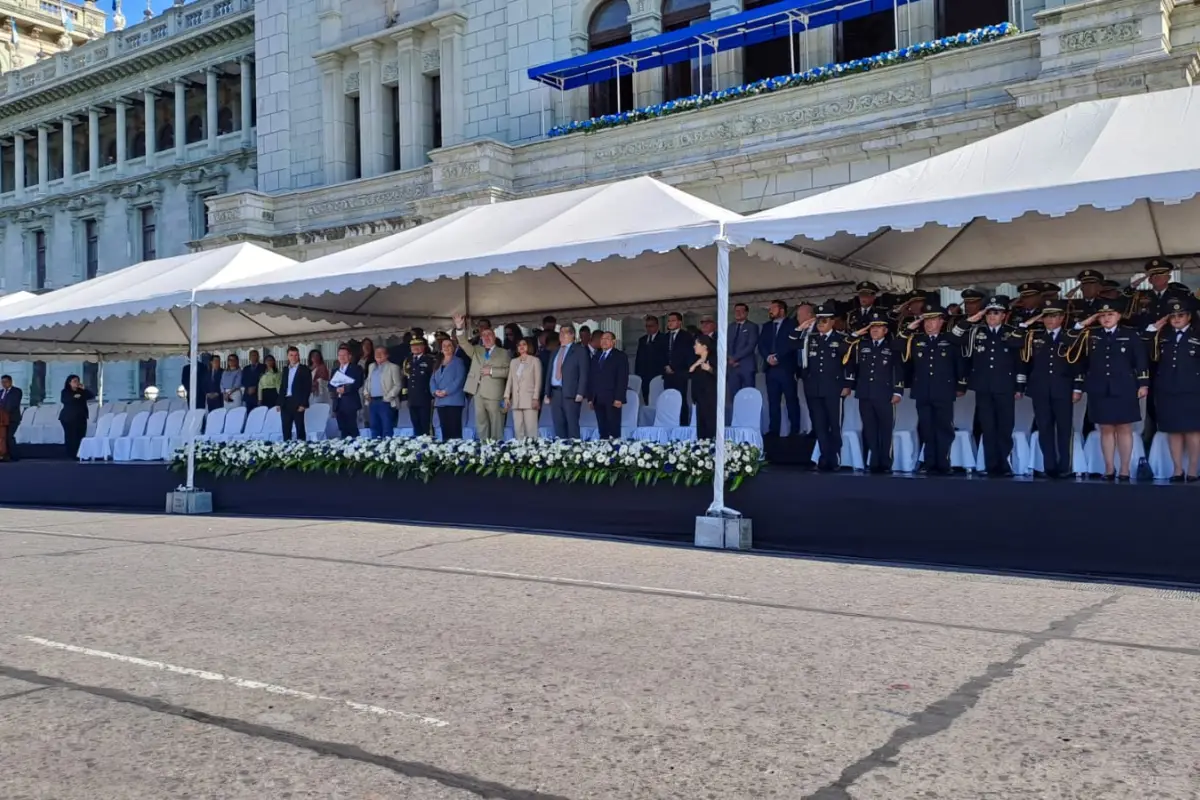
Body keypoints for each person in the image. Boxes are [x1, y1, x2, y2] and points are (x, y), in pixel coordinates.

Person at [1066, 300, 1149, 481]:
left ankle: (1125, 469)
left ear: (1119, 315)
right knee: (1106, 429)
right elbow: (1072, 346)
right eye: (1102, 315)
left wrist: (1143, 383)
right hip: (1099, 387)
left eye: (1110, 314)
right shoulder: (1090, 335)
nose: (1106, 319)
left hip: (1125, 387)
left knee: (1124, 428)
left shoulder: (1130, 334)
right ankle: (1109, 468)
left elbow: (1140, 359)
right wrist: (1084, 324)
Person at [948, 296, 1024, 477]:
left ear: (1004, 315)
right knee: (988, 427)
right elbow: (953, 337)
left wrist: (1019, 386)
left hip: (1005, 386)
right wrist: (970, 320)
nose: (992, 316)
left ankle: (1003, 464)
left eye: (996, 313)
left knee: (1005, 427)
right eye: (989, 312)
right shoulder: (976, 332)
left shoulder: (1012, 332)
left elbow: (1019, 361)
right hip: (983, 386)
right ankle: (991, 465)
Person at [897, 304, 966, 475]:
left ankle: (944, 462)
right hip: (923, 389)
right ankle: (929, 462)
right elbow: (896, 347)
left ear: (942, 321)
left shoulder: (950, 340)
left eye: (933, 319)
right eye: (926, 320)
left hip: (943, 389)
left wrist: (961, 384)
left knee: (944, 428)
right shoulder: (916, 339)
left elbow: (960, 363)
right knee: (926, 427)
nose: (929, 324)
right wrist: (909, 328)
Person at [1020, 300, 1082, 479]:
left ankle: (1065, 466)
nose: (1049, 320)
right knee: (1044, 428)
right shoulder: (1034, 336)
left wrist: (1077, 387)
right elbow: (1021, 353)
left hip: (1063, 388)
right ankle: (1049, 465)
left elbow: (1077, 363)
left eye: (1053, 316)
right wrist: (1026, 324)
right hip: (1040, 388)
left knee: (1064, 428)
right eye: (1046, 316)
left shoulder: (1070, 336)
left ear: (1062, 318)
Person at [1146, 296, 1200, 482]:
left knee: (1193, 430)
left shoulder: (1197, 336)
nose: (1177, 319)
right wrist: (1154, 329)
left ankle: (1193, 469)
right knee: (1173, 430)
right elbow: (1149, 353)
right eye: (1173, 316)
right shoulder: (1162, 336)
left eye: (1181, 315)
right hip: (1168, 389)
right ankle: (1177, 470)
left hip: (1192, 390)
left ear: (1189, 317)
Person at [845, 310, 903, 474]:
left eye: (879, 327)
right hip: (865, 393)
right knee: (869, 428)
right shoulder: (861, 345)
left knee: (885, 429)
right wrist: (857, 334)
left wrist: (898, 390)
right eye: (872, 327)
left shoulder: (892, 346)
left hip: (885, 393)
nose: (875, 330)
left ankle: (886, 461)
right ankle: (874, 460)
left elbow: (898, 369)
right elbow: (846, 352)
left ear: (885, 330)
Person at [797, 303, 852, 472]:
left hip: (834, 387)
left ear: (833, 321)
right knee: (819, 425)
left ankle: (834, 457)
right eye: (819, 320)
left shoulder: (841, 339)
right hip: (814, 388)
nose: (821, 323)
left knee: (834, 425)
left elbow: (849, 363)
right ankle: (823, 456)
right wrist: (801, 328)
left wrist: (848, 383)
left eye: (825, 320)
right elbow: (792, 344)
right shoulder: (809, 338)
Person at [453, 314, 510, 441]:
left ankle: (497, 452)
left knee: (496, 425)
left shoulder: (503, 352)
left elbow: (508, 372)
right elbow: (462, 342)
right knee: (481, 425)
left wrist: (491, 371)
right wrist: (459, 327)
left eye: (489, 335)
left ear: (495, 337)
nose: (486, 338)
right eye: (484, 336)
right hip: (478, 393)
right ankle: (483, 450)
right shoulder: (477, 350)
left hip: (495, 394)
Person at [757, 300, 799, 437]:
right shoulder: (767, 326)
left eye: (773, 309)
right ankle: (774, 430)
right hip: (770, 369)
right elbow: (761, 344)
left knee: (791, 399)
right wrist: (768, 357)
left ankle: (795, 429)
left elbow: (791, 344)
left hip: (786, 367)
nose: (770, 311)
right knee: (773, 401)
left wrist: (778, 357)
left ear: (782, 310)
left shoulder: (792, 324)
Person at [543, 324, 589, 439]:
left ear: (572, 335)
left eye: (565, 332)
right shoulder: (555, 351)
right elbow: (550, 372)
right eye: (560, 332)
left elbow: (584, 373)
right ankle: (562, 451)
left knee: (572, 425)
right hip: (555, 393)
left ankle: (574, 452)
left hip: (571, 393)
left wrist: (580, 392)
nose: (562, 335)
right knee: (558, 425)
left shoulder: (579, 351)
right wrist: (547, 392)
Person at [589, 331, 628, 439]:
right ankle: (604, 448)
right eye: (602, 339)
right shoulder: (596, 356)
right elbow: (591, 377)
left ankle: (614, 450)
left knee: (613, 428)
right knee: (602, 428)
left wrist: (619, 398)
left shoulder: (619, 356)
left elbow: (622, 378)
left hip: (612, 397)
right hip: (598, 397)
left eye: (607, 339)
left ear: (613, 342)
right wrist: (590, 397)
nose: (604, 341)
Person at [504, 337, 543, 440]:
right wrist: (507, 396)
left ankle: (532, 451)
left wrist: (535, 398)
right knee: (518, 428)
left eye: (524, 344)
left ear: (529, 346)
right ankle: (520, 451)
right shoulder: (513, 362)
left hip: (529, 399)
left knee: (531, 429)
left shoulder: (535, 361)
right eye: (519, 345)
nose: (521, 347)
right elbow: (510, 380)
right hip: (516, 400)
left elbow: (538, 381)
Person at [431, 337, 468, 440]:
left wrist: (446, 391)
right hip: (440, 401)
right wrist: (435, 391)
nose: (446, 348)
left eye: (449, 345)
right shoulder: (438, 361)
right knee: (445, 430)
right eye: (444, 346)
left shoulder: (458, 361)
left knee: (455, 430)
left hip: (454, 400)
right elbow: (432, 379)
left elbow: (459, 379)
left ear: (453, 347)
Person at [662, 312, 694, 425]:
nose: (670, 323)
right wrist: (666, 366)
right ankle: (670, 421)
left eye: (673, 320)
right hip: (667, 374)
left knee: (681, 399)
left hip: (681, 373)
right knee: (669, 399)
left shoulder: (686, 336)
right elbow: (661, 354)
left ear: (679, 322)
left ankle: (683, 423)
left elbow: (687, 354)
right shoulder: (665, 337)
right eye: (669, 321)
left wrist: (675, 368)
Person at [364, 345, 402, 438]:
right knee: (374, 427)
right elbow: (368, 381)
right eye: (376, 353)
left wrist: (388, 397)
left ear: (387, 355)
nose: (378, 355)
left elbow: (398, 385)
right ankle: (374, 449)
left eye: (381, 353)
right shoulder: (371, 366)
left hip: (386, 401)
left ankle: (387, 449)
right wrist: (366, 393)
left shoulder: (393, 367)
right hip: (372, 401)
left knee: (387, 427)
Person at [403, 337, 437, 437]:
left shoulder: (429, 360)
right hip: (412, 397)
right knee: (415, 424)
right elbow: (405, 378)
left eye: (418, 345)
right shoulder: (408, 360)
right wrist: (405, 394)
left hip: (425, 397)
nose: (415, 348)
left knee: (426, 424)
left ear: (423, 347)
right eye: (413, 346)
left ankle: (428, 445)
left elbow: (433, 378)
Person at [330, 345, 365, 438]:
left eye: (344, 355)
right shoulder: (335, 370)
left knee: (352, 427)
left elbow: (358, 383)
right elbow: (330, 385)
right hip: (338, 403)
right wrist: (336, 389)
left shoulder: (356, 368)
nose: (342, 357)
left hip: (350, 402)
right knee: (342, 428)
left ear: (349, 356)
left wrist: (345, 389)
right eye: (340, 355)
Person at [727, 303, 759, 401]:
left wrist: (735, 358)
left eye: (741, 311)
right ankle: (736, 416)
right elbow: (726, 344)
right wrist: (729, 358)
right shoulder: (730, 327)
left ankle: (749, 416)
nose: (738, 313)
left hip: (746, 366)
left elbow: (751, 345)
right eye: (736, 311)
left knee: (748, 395)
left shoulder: (752, 326)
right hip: (732, 368)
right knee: (734, 396)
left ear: (746, 313)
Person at [689, 334, 718, 440]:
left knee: (710, 423)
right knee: (700, 425)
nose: (694, 347)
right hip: (699, 396)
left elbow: (722, 376)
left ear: (704, 346)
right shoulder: (696, 360)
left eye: (696, 344)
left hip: (710, 397)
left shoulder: (713, 359)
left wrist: (709, 369)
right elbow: (690, 372)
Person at [280, 346, 312, 441]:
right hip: (286, 401)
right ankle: (286, 448)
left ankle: (301, 448)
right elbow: (283, 386)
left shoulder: (304, 369)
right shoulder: (285, 369)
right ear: (288, 356)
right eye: (291, 355)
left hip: (298, 401)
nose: (294, 357)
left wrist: (303, 403)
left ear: (299, 356)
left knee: (300, 427)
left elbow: (307, 387)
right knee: (286, 428)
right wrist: (279, 402)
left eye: (296, 355)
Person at [59, 375, 94, 458]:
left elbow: (91, 396)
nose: (76, 383)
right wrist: (74, 397)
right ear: (69, 383)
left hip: (81, 416)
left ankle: (79, 453)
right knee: (71, 436)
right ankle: (71, 454)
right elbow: (64, 400)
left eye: (77, 381)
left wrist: (84, 389)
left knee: (80, 435)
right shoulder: (65, 391)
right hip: (68, 417)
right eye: (74, 381)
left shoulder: (81, 391)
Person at [634, 315, 666, 404]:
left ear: (657, 326)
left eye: (651, 326)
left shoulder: (664, 338)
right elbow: (639, 358)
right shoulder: (642, 340)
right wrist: (638, 373)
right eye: (647, 326)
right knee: (647, 398)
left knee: (658, 398)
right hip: (644, 375)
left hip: (658, 374)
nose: (649, 328)